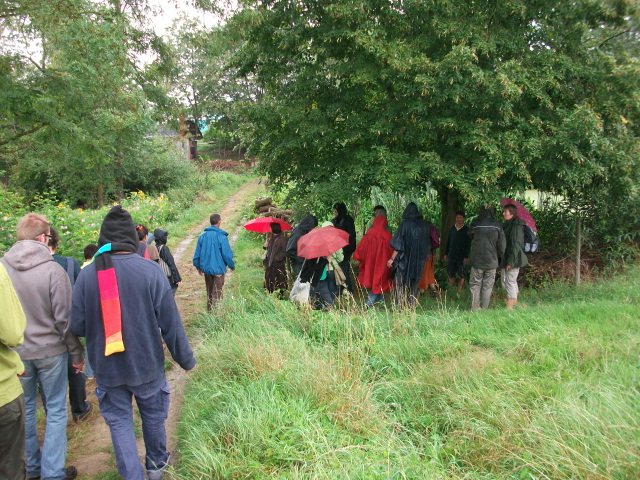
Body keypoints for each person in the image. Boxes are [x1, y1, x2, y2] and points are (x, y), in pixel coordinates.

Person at [70, 205, 196, 480]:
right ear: (131, 238)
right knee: (152, 417)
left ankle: (132, 475)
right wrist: (185, 359)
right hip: (146, 364)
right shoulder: (150, 272)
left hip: (107, 368)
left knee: (120, 424)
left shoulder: (88, 275)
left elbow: (77, 325)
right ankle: (156, 468)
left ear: (103, 239)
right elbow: (171, 324)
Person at [1, 213, 83, 480]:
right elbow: (64, 320)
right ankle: (53, 472)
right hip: (51, 352)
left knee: (25, 409)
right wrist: (76, 353)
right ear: (42, 237)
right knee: (56, 409)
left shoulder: (3, 268)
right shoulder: (53, 270)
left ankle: (32, 468)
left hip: (16, 355)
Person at [47, 229, 92, 423]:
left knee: (48, 384)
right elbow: (83, 293)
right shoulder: (69, 264)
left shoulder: (11, 267)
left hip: (36, 337)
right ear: (56, 243)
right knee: (74, 370)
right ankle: (78, 408)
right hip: (67, 327)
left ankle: (52, 416)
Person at [0, 261, 27, 480]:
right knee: (10, 464)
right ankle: (52, 471)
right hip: (3, 388)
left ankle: (38, 465)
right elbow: (13, 334)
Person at [387, 203, 429, 309]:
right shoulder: (424, 225)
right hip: (418, 259)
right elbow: (427, 243)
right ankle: (412, 305)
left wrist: (392, 259)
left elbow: (398, 244)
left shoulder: (405, 225)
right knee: (414, 282)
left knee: (399, 282)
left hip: (404, 260)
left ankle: (398, 306)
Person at [192, 213, 235, 310]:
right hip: (218, 270)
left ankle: (209, 312)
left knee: (209, 292)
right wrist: (231, 265)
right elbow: (226, 254)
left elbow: (197, 254)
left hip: (206, 269)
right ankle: (216, 317)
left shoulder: (202, 236)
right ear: (219, 222)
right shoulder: (221, 236)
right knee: (217, 293)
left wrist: (198, 266)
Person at [468, 206, 506, 310]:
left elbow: (470, 237)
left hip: (477, 260)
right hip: (491, 261)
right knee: (488, 286)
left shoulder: (475, 224)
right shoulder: (497, 226)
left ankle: (475, 307)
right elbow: (502, 246)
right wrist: (500, 258)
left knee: (475, 285)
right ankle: (484, 308)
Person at [353, 215, 393, 307]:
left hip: (370, 262)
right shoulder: (387, 235)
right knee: (379, 280)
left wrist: (358, 256)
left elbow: (361, 248)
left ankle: (379, 301)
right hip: (382, 263)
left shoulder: (369, 233)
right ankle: (369, 303)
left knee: (376, 281)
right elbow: (392, 249)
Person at [501, 203, 529, 309]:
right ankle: (514, 301)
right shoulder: (508, 225)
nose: (503, 214)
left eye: (505, 212)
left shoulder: (516, 226)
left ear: (512, 214)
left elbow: (515, 245)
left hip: (514, 258)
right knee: (507, 281)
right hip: (508, 256)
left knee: (510, 281)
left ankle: (510, 306)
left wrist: (510, 262)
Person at [331, 202, 357, 293]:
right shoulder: (335, 221)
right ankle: (340, 289)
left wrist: (349, 249)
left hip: (346, 249)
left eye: (336, 210)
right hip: (337, 249)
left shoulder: (347, 220)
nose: (334, 212)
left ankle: (348, 289)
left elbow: (351, 236)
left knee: (344, 269)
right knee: (338, 269)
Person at [444, 211, 471, 292]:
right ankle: (450, 290)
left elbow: (468, 244)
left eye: (460, 217)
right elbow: (448, 242)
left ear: (463, 218)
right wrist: (446, 253)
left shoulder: (466, 229)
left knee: (461, 274)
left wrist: (466, 256)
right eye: (457, 217)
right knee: (451, 273)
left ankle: (459, 290)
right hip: (452, 254)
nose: (459, 219)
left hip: (461, 255)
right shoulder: (452, 228)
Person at [154, 228, 181, 296]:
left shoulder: (154, 248)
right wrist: (177, 278)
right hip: (168, 277)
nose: (167, 238)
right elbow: (171, 263)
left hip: (158, 276)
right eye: (166, 237)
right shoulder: (164, 248)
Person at [320, 220, 344, 300]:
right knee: (332, 288)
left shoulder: (319, 241)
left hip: (322, 269)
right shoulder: (336, 240)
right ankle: (331, 305)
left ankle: (323, 304)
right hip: (332, 268)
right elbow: (340, 258)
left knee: (323, 288)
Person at [263, 222, 288, 296]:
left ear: (274, 228)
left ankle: (280, 295)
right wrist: (265, 247)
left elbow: (284, 252)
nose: (269, 229)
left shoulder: (282, 239)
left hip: (278, 264)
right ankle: (271, 294)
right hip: (270, 263)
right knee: (269, 279)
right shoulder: (271, 237)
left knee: (279, 279)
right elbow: (270, 248)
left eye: (270, 227)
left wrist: (276, 258)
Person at [418, 217, 439, 296]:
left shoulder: (420, 226)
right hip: (431, 253)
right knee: (430, 273)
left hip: (424, 254)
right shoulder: (430, 225)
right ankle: (433, 291)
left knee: (423, 273)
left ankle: (422, 292)